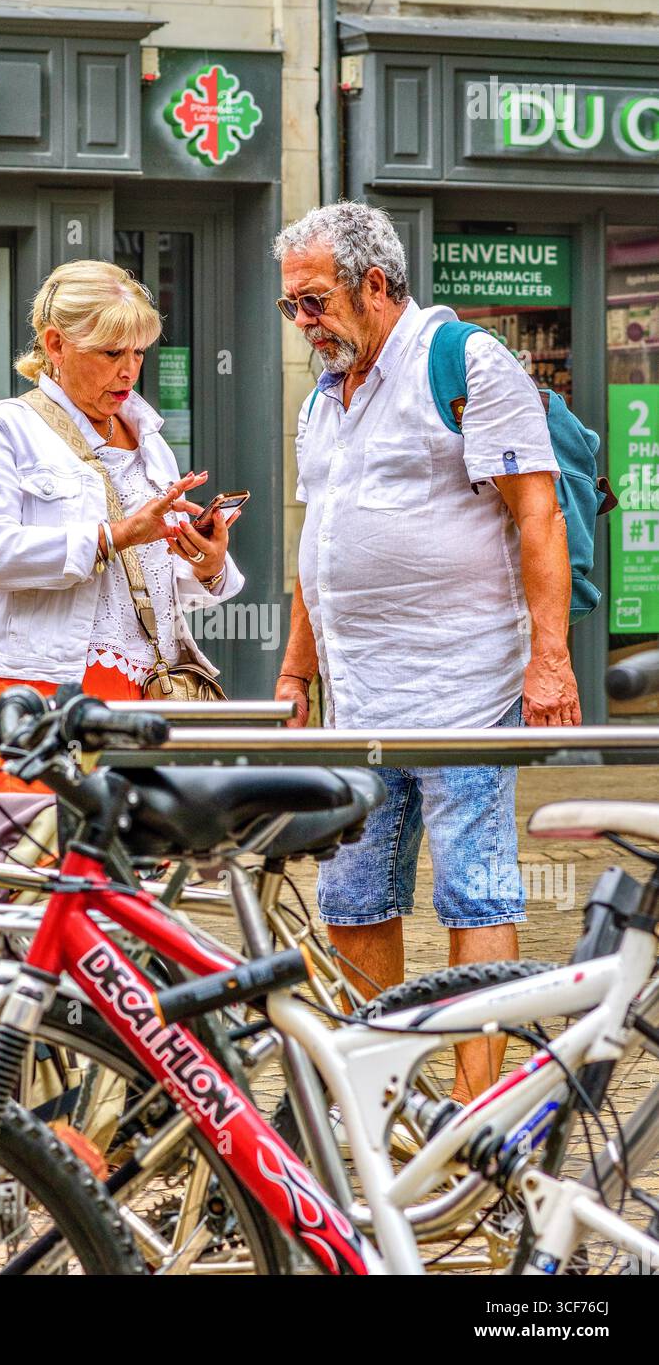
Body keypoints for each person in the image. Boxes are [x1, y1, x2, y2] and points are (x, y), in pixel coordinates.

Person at [272, 202, 579, 1101]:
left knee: (475, 896)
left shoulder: (466, 363)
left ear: (376, 283)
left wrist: (550, 661)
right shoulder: (323, 398)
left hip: (462, 685)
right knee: (354, 898)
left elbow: (539, 516)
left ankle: (476, 1106)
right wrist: (298, 669)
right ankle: (380, 1094)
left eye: (315, 301)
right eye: (291, 307)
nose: (303, 323)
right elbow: (316, 549)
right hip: (360, 699)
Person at [0, 259, 243, 792]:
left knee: (136, 859)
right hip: (38, 685)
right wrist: (115, 535)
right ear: (55, 345)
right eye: (111, 353)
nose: (129, 371)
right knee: (41, 857)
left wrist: (206, 560)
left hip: (146, 684)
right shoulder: (3, 428)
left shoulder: (149, 439)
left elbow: (145, 579)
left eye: (137, 353)